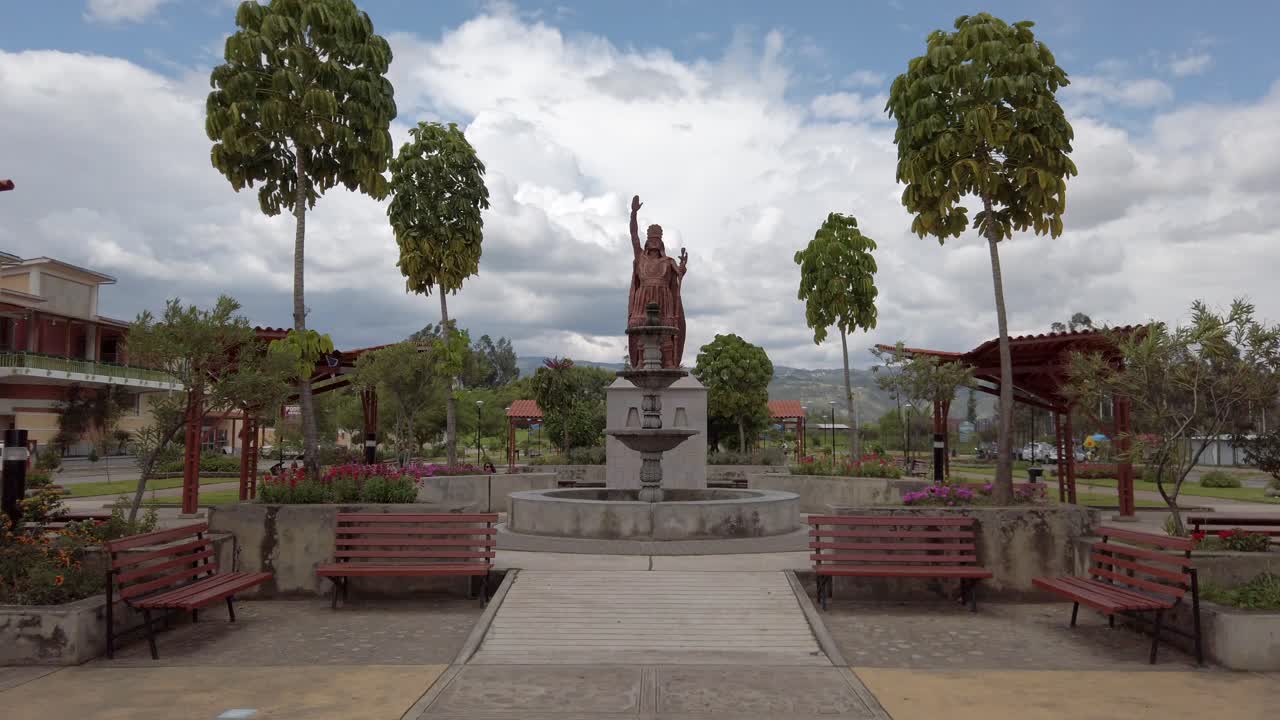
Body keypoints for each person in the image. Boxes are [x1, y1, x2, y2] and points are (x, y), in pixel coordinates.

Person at [627, 194, 687, 368]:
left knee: (666, 328)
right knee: (640, 328)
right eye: (651, 240)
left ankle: (668, 361)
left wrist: (682, 268)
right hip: (643, 297)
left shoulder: (668, 261)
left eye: (657, 240)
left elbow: (679, 274)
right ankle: (640, 361)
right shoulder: (640, 257)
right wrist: (633, 214)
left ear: (661, 243)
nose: (653, 243)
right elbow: (633, 235)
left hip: (664, 297)